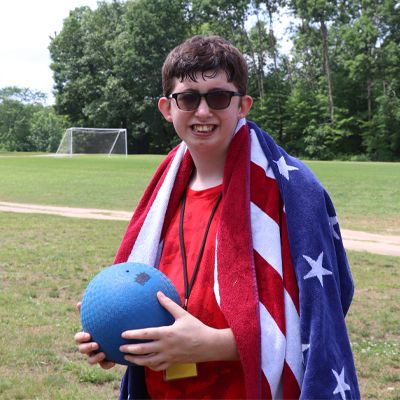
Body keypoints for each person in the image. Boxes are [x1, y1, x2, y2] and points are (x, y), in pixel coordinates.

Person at [75, 35, 360, 399]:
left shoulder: (293, 191)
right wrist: (115, 333)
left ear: (243, 105)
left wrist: (213, 344)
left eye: (219, 97)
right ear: (167, 108)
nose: (203, 112)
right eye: (188, 98)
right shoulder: (164, 192)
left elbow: (319, 319)